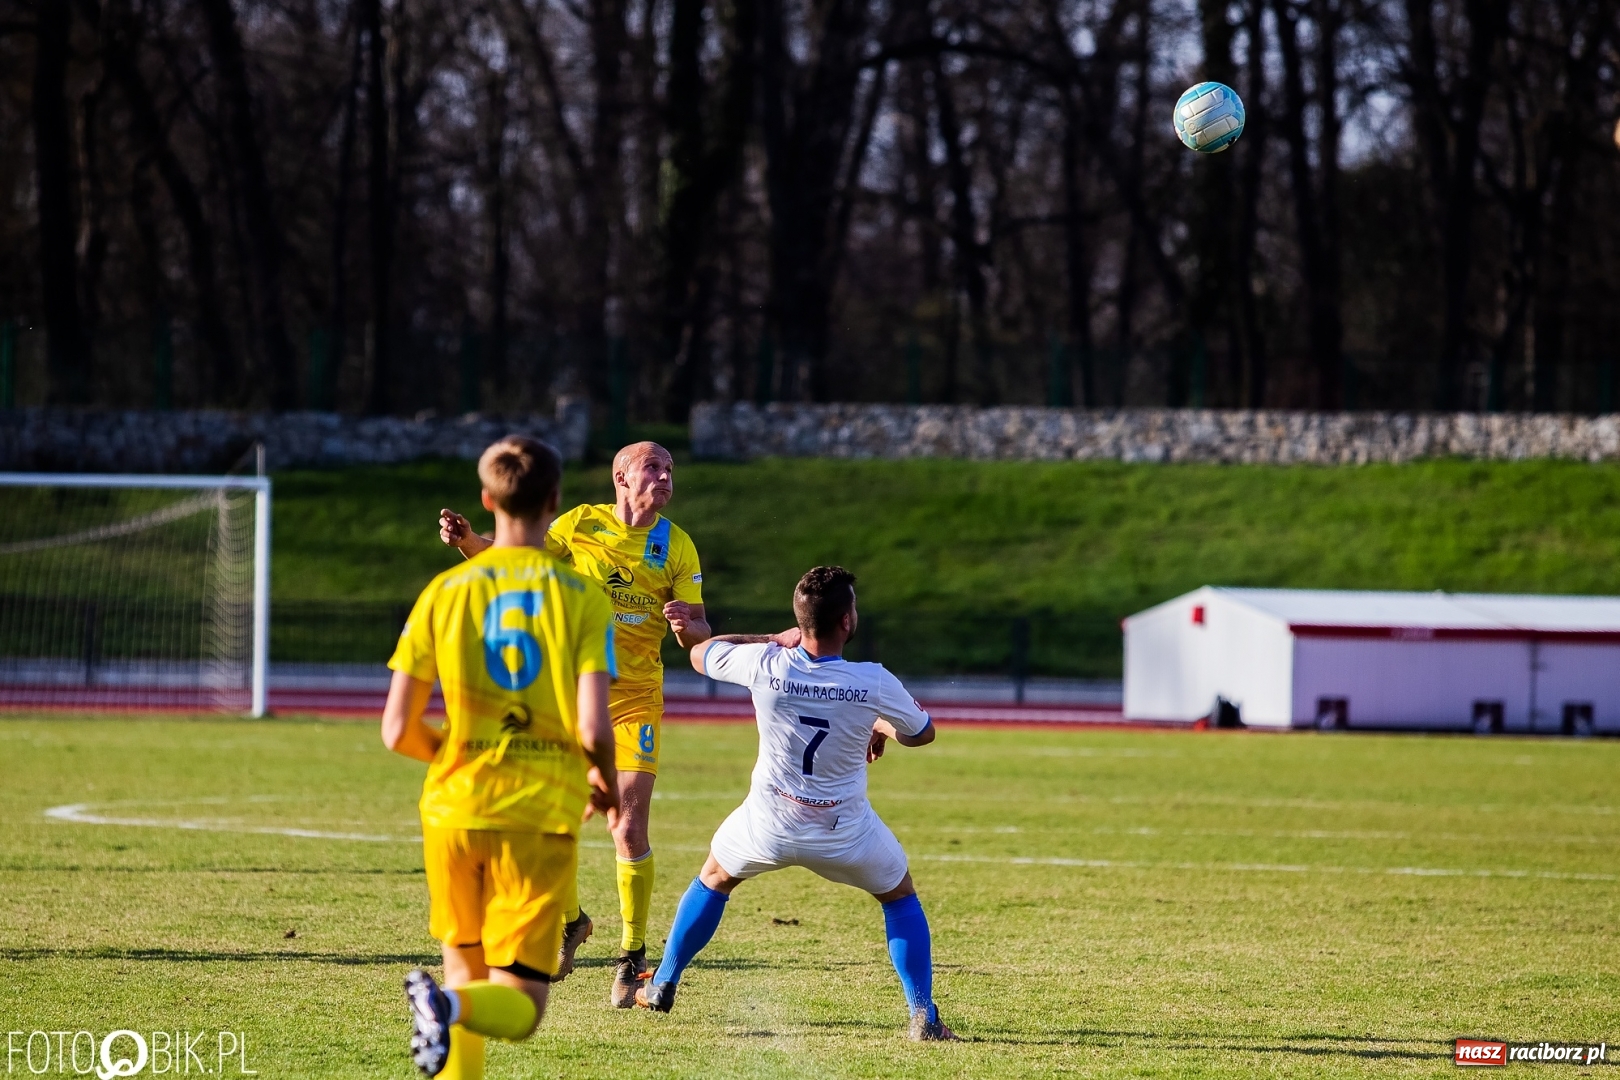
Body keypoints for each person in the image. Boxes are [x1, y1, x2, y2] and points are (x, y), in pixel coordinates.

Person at [437, 441, 710, 1006]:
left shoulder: (677, 545)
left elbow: (698, 635)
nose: (665, 478)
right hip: (569, 696)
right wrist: (468, 542)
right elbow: (516, 558)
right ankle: (572, 922)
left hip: (636, 700)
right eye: (653, 468)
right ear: (621, 477)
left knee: (627, 828)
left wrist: (687, 627)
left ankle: (633, 957)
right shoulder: (580, 524)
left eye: (669, 470)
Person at [634, 565, 958, 1042]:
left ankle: (662, 984)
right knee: (899, 895)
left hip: (769, 822)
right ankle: (922, 1015)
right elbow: (923, 733)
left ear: (800, 621)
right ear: (847, 621)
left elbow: (701, 652)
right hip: (844, 830)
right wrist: (879, 725)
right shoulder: (872, 681)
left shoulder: (766, 662)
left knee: (714, 879)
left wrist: (772, 637)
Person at [385, 436, 620, 1078]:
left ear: (487, 501)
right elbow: (595, 724)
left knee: (463, 979)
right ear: (555, 500)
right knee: (518, 1005)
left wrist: (461, 752)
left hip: (455, 809)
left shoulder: (445, 590)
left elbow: (396, 730)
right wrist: (604, 780)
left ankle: (445, 1002)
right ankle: (444, 1002)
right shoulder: (581, 598)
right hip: (537, 814)